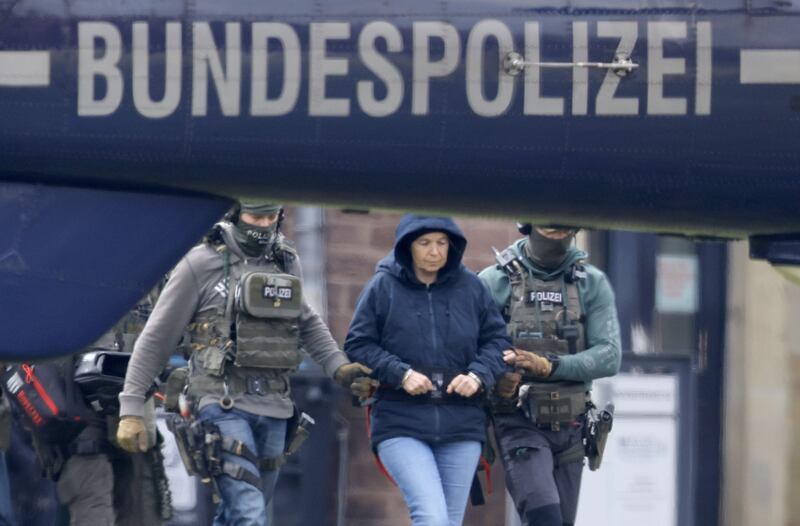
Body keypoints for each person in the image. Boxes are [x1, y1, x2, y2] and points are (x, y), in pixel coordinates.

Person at [116, 201, 371, 526]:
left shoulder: (284, 261)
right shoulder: (201, 263)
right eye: (255, 217)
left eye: (270, 217)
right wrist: (131, 407)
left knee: (241, 514)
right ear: (236, 215)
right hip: (220, 404)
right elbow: (156, 338)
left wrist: (340, 367)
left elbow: (306, 321)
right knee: (250, 514)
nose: (263, 226)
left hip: (275, 407)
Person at [344, 215, 510, 526]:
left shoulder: (471, 287)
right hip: (400, 421)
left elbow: (498, 341)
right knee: (431, 518)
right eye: (425, 243)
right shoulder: (383, 286)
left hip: (461, 423)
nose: (434, 251)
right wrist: (401, 373)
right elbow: (358, 343)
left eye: (442, 243)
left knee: (448, 521)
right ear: (408, 246)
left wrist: (477, 375)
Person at [478, 224, 621, 526]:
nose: (555, 232)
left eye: (563, 226)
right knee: (545, 518)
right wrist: (497, 375)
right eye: (547, 224)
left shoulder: (591, 283)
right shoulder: (494, 282)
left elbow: (609, 355)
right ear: (527, 225)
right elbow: (469, 350)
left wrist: (550, 366)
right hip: (518, 421)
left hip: (572, 426)